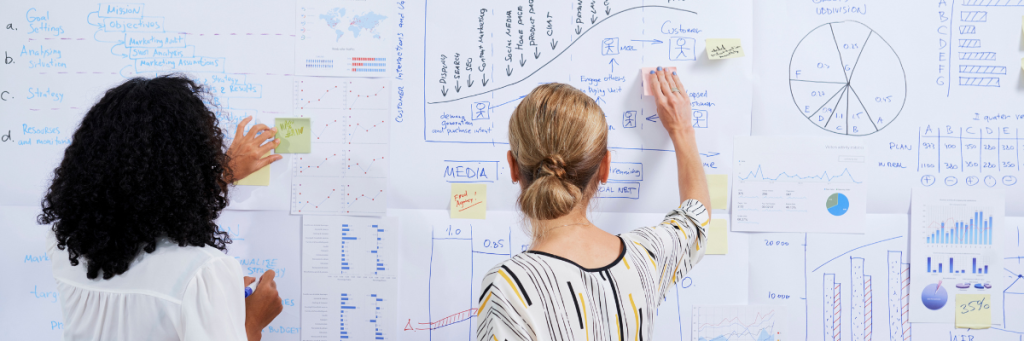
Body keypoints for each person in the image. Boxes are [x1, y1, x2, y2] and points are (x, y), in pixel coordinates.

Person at [38, 75, 285, 341]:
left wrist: (222, 175)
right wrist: (252, 324)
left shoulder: (64, 246)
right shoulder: (203, 272)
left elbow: (135, 196)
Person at [476, 67, 711, 341]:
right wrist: (681, 129)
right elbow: (696, 218)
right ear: (605, 168)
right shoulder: (645, 257)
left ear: (513, 167)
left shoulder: (508, 287)